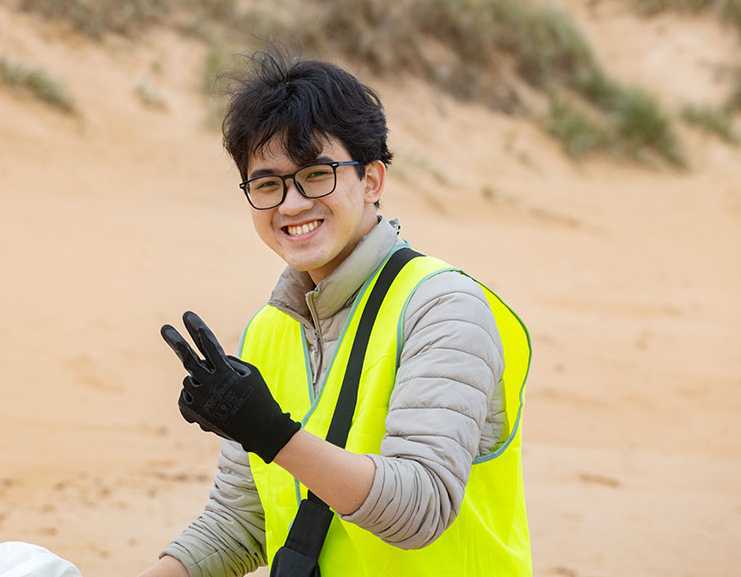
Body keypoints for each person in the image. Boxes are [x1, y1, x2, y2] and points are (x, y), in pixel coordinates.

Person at [140, 49, 531, 577]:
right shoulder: (267, 331)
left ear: (372, 180)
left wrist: (270, 433)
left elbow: (421, 506)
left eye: (317, 174)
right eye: (267, 183)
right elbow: (240, 521)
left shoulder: (443, 307)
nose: (292, 204)